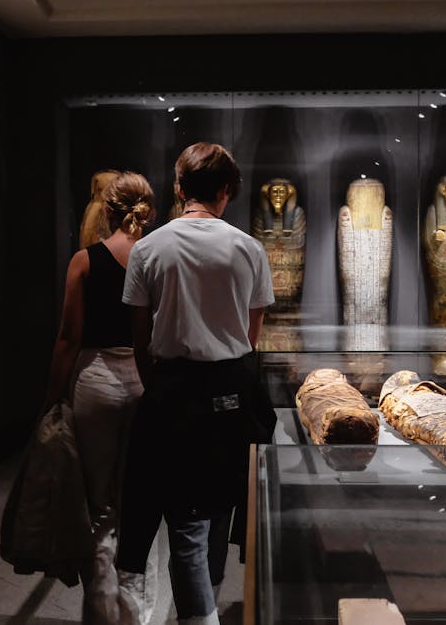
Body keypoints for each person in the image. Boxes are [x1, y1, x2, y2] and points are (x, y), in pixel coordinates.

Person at [116, 142, 276, 625]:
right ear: (227, 191)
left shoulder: (149, 248)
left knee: (185, 520)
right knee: (220, 510)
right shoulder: (248, 248)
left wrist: (161, 385)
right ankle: (203, 609)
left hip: (173, 391)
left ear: (179, 187)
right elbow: (251, 336)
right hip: (232, 389)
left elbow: (140, 340)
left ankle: (199, 614)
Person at [42, 171, 156, 624]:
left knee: (100, 507)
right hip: (146, 381)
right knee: (139, 503)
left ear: (106, 211)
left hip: (95, 381)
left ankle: (102, 612)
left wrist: (52, 400)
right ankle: (136, 610)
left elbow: (69, 337)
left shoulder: (84, 261)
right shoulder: (156, 259)